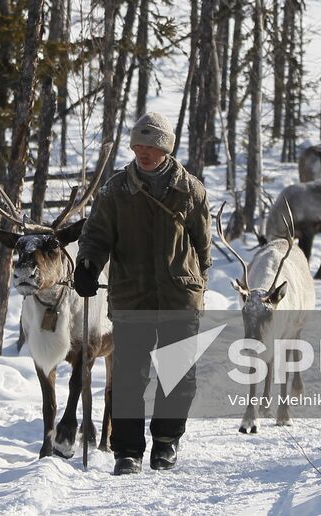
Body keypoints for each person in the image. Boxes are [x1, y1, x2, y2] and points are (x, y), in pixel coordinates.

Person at [73, 112, 212, 475]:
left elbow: (202, 245)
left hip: (179, 296)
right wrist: (87, 265)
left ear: (166, 149)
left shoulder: (190, 190)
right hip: (131, 296)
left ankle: (166, 441)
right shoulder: (115, 191)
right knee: (129, 377)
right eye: (138, 146)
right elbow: (96, 235)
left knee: (178, 373)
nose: (143, 153)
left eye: (151, 146)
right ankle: (127, 451)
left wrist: (198, 284)